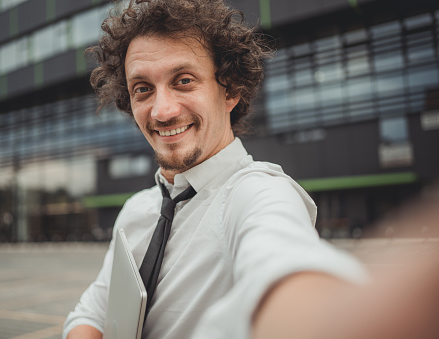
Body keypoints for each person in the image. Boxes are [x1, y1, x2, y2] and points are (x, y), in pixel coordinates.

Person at [63, 1, 439, 338]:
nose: (162, 111)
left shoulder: (260, 193)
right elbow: (92, 313)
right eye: (143, 88)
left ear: (230, 91)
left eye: (184, 81)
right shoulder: (135, 211)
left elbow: (286, 274)